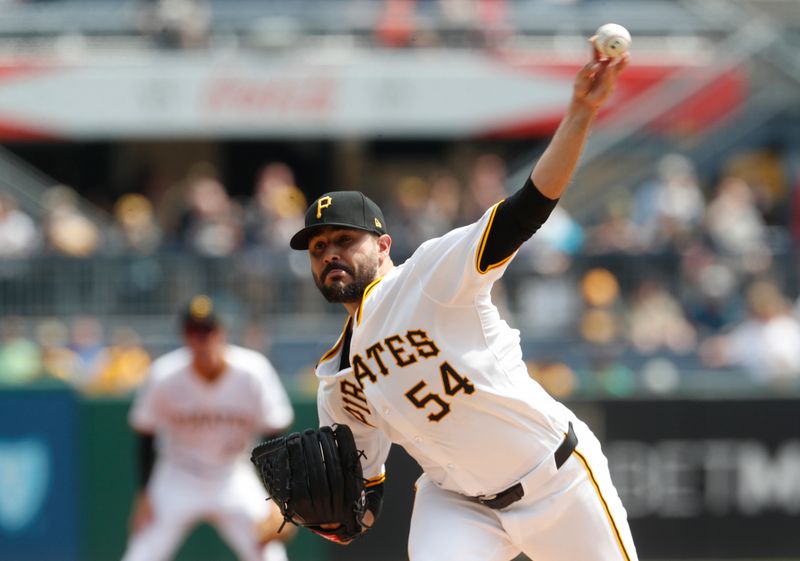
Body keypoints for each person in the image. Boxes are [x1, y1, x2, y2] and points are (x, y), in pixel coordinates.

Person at [285, 44, 637, 561]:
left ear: (384, 245)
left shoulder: (430, 274)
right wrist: (345, 518)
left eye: (344, 240)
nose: (330, 254)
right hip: (457, 505)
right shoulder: (337, 380)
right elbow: (368, 491)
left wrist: (580, 114)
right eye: (319, 248)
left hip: (556, 480)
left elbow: (526, 210)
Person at [121, 295, 295, 561]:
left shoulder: (253, 371)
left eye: (208, 330)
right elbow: (146, 434)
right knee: (141, 554)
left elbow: (276, 434)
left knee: (270, 554)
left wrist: (279, 500)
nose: (202, 339)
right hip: (178, 476)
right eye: (194, 331)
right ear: (184, 335)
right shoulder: (164, 374)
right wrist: (144, 493)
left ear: (221, 332)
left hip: (232, 475)